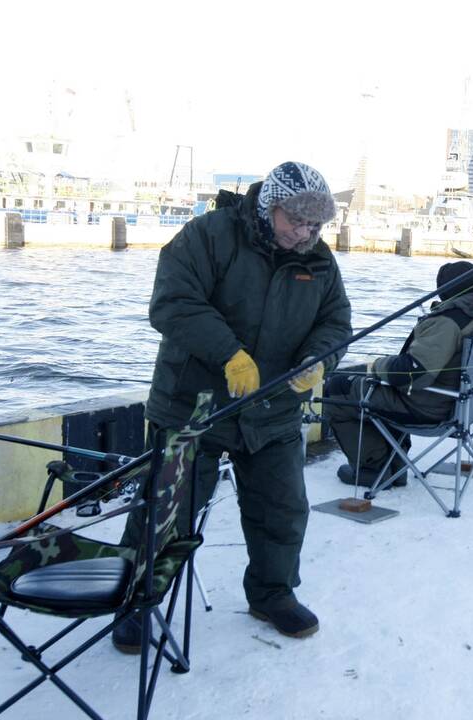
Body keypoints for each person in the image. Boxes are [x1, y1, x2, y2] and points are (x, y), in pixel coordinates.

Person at [113, 161, 351, 652]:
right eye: (297, 221)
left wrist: (318, 359)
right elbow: (173, 302)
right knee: (166, 511)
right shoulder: (208, 235)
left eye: (315, 224)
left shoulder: (319, 259)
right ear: (270, 206)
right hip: (193, 408)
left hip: (276, 408)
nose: (305, 232)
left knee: (282, 509)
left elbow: (336, 322)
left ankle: (272, 593)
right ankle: (137, 600)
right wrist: (230, 353)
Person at [323, 261, 473, 487]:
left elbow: (414, 374)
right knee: (382, 387)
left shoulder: (449, 321)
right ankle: (395, 465)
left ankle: (373, 469)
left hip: (430, 410)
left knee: (338, 390)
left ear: (443, 289)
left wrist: (377, 366)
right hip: (469, 408)